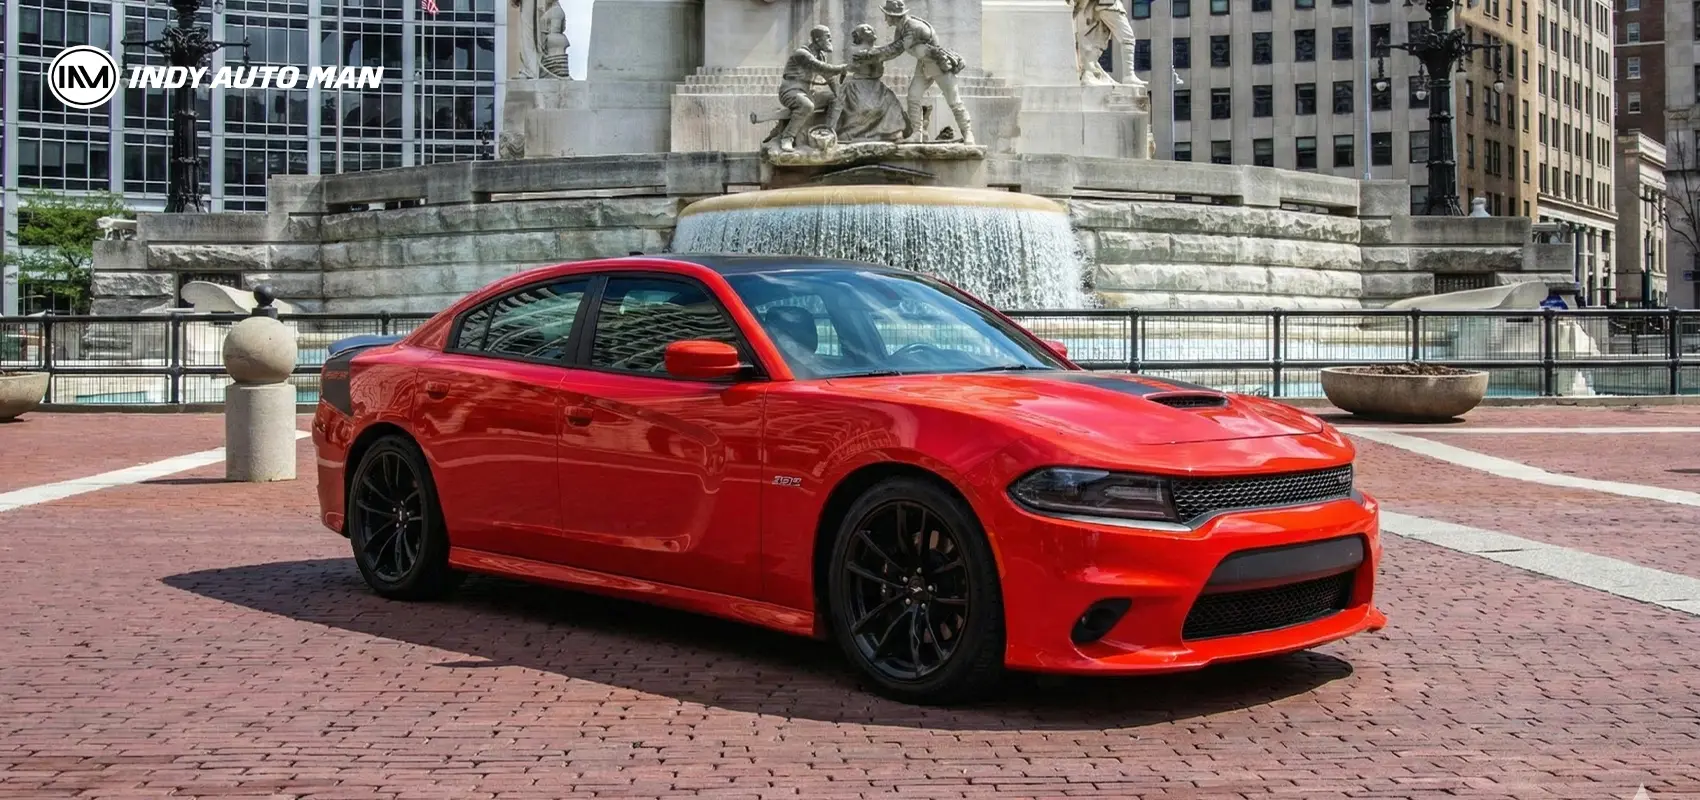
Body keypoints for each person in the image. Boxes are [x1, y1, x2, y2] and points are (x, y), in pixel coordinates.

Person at [869, 0, 973, 145]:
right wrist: (874, 53)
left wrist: (873, 53)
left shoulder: (914, 28)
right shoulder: (901, 28)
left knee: (954, 101)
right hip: (923, 65)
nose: (886, 19)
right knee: (913, 95)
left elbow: (896, 49)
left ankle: (968, 133)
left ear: (895, 16)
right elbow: (894, 49)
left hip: (938, 64)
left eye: (887, 15)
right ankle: (916, 133)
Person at [777, 25, 849, 152]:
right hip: (791, 91)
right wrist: (842, 68)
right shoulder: (802, 54)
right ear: (817, 39)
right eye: (827, 37)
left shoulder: (821, 56)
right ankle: (787, 138)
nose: (830, 40)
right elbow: (820, 67)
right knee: (807, 105)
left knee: (837, 98)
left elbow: (829, 78)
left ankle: (828, 132)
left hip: (807, 92)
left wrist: (838, 95)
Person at [837, 24, 909, 143]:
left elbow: (887, 55)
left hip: (876, 85)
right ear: (859, 35)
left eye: (871, 28)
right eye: (866, 29)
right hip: (859, 85)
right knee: (866, 109)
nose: (871, 30)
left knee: (892, 101)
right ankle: (854, 134)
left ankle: (893, 133)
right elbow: (887, 53)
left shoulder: (876, 49)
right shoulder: (856, 49)